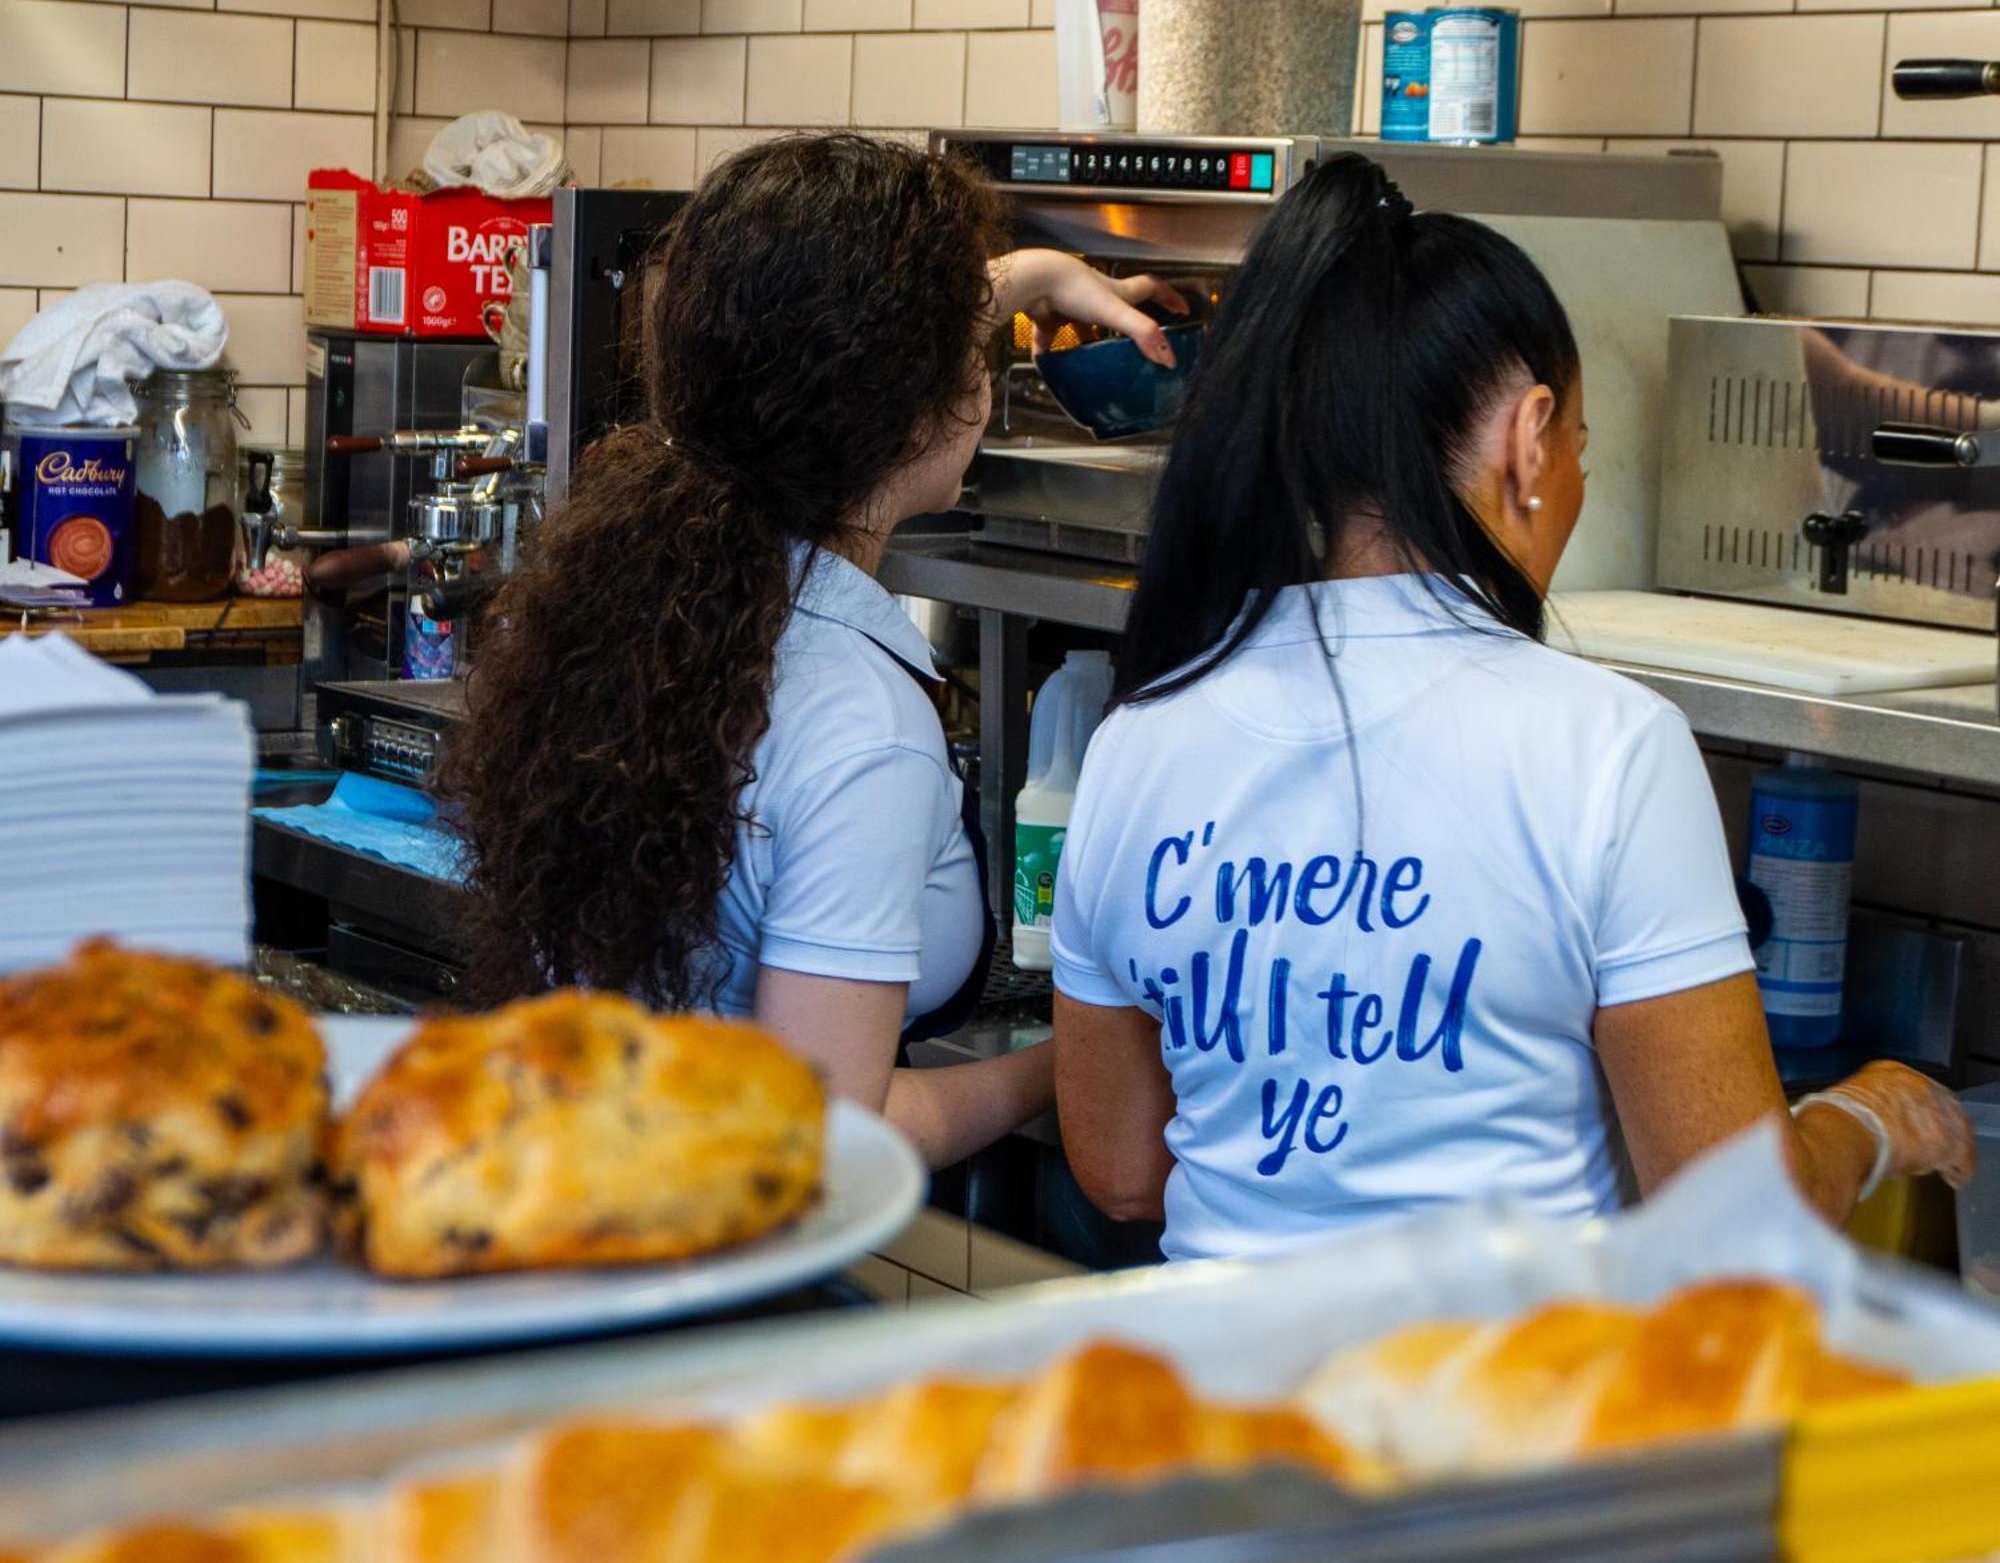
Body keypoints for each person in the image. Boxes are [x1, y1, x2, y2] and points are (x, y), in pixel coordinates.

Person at [1051, 154, 1974, 1261]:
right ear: (1527, 439)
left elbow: (1117, 1169)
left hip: (1217, 1413)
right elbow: (1727, 1219)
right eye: (1577, 445)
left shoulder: (1136, 738)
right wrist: (1865, 1116)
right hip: (1498, 1418)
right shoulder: (1605, 745)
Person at [446, 133, 1180, 1170]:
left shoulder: (641, 605)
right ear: (935, 403)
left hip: (569, 1195)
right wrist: (1068, 1061)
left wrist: (1043, 275)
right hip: (709, 1274)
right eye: (980, 349)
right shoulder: (862, 730)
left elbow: (822, 330)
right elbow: (826, 1141)